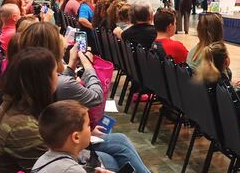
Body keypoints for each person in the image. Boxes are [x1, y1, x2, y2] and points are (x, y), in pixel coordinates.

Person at [17, 23, 149, 173]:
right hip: (65, 148)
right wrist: (88, 65)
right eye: (55, 73)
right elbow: (95, 97)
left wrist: (71, 66)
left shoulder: (28, 77)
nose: (58, 76)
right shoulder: (61, 84)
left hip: (58, 143)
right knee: (115, 152)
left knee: (119, 141)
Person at [0, 47, 59, 173]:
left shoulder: (14, 102)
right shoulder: (23, 127)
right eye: (56, 72)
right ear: (44, 81)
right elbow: (53, 168)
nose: (58, 77)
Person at [33, 101, 112, 173]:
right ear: (76, 137)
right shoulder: (72, 170)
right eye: (88, 125)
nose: (90, 128)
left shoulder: (42, 160)